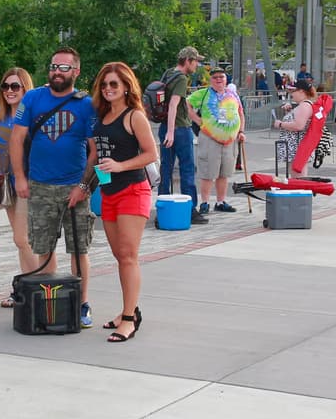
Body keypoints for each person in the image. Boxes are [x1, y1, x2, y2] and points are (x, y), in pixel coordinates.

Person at [10, 46, 98, 329]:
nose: (57, 72)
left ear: (76, 71)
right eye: (53, 66)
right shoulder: (33, 98)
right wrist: (20, 178)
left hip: (75, 187)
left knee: (78, 249)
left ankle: (81, 303)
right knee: (43, 248)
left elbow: (96, 150)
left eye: (63, 67)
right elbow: (17, 138)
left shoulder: (85, 104)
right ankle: (50, 302)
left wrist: (84, 187)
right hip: (41, 185)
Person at [90, 62, 157, 343]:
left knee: (129, 256)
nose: (108, 89)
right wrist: (84, 185)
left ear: (126, 86)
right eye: (104, 85)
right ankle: (129, 309)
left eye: (114, 84)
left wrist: (120, 166)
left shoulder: (134, 116)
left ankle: (129, 319)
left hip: (132, 189)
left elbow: (151, 154)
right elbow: (94, 155)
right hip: (108, 192)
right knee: (120, 257)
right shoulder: (101, 116)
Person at [0, 67, 38, 307]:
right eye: (5, 86)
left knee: (22, 238)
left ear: (25, 88)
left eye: (15, 86)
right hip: (7, 181)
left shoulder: (33, 116)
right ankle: (25, 287)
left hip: (28, 182)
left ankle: (36, 287)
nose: (9, 91)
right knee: (20, 240)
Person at [158, 46, 207, 226]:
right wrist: (172, 131)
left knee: (166, 169)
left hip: (165, 127)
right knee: (187, 168)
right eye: (195, 62)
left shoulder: (168, 73)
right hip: (179, 129)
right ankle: (190, 209)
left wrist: (167, 130)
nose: (197, 65)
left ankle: (163, 205)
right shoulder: (180, 78)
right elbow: (173, 104)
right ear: (187, 61)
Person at [186, 68, 245, 214]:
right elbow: (185, 103)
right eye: (215, 77)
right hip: (209, 138)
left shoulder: (233, 94)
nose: (218, 80)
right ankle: (205, 202)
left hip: (230, 140)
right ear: (210, 80)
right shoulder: (203, 93)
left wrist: (241, 131)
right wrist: (198, 120)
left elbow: (240, 113)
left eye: (221, 77)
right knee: (208, 172)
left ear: (226, 79)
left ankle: (220, 201)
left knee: (224, 173)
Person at [273, 79, 317, 163]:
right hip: (295, 149)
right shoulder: (304, 105)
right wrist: (289, 112)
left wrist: (280, 124)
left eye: (293, 91)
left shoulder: (304, 106)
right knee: (296, 175)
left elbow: (299, 126)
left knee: (298, 175)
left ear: (301, 91)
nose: (291, 94)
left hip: (296, 150)